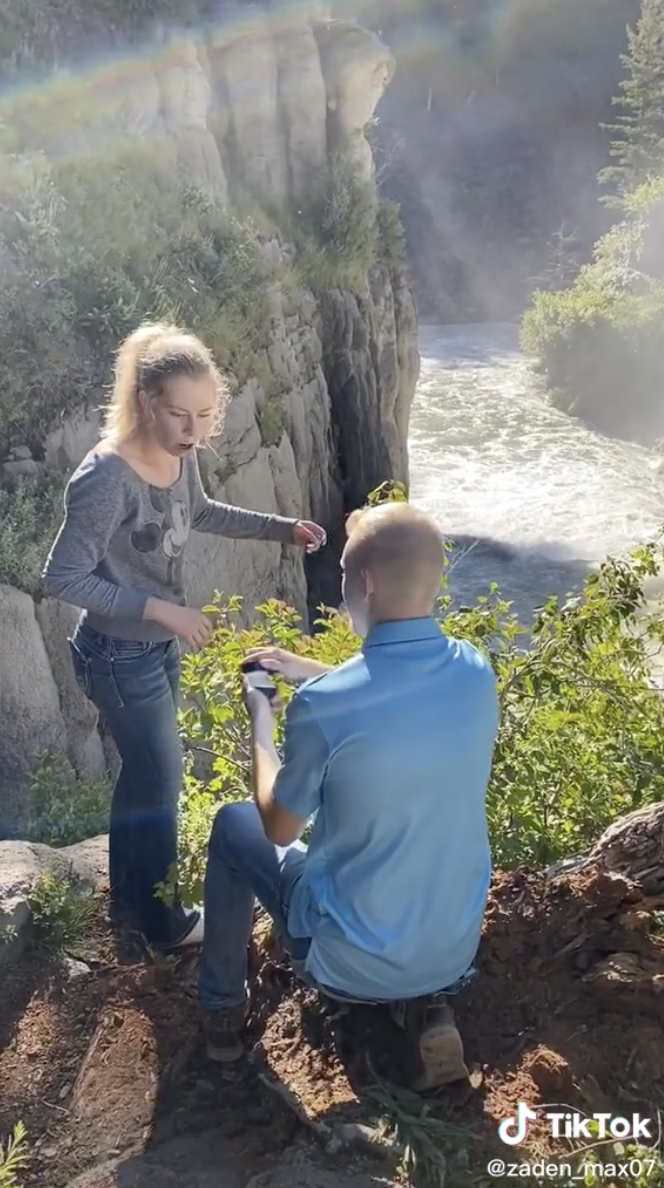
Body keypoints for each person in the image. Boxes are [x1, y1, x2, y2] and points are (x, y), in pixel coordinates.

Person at [42, 321, 326, 953]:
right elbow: (61, 576)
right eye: (178, 414)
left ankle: (129, 907)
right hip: (116, 654)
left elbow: (199, 512)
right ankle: (162, 922)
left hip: (149, 649)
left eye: (205, 415)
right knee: (162, 784)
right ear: (145, 403)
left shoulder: (180, 454)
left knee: (144, 779)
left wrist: (284, 529)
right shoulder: (105, 477)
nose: (193, 431)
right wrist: (159, 610)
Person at [198, 500, 499, 1091]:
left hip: (348, 959)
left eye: (341, 575)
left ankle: (222, 1015)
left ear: (363, 582)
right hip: (454, 948)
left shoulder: (324, 705)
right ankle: (424, 1006)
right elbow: (390, 693)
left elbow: (278, 828)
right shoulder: (474, 668)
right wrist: (304, 666)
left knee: (234, 824)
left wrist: (262, 719)